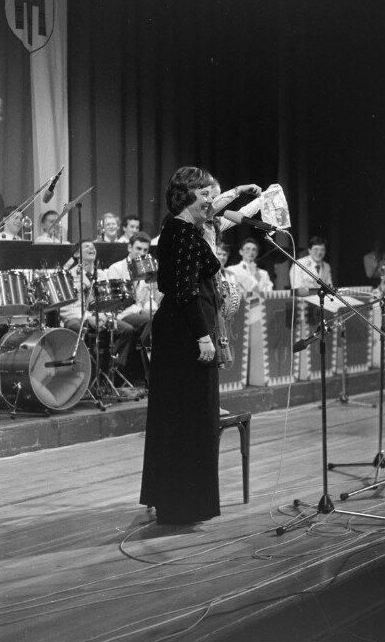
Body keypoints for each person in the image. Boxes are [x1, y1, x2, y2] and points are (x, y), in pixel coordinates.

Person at [140, 166, 222, 525]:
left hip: (178, 332)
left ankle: (177, 500)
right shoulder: (182, 232)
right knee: (189, 417)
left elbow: (221, 213)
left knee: (180, 417)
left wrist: (240, 198)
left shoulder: (180, 229)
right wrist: (204, 337)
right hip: (186, 335)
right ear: (187, 195)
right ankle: (183, 504)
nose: (211, 200)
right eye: (205, 193)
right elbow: (187, 291)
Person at [60, 240, 138, 384]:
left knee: (126, 330)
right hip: (76, 317)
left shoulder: (102, 275)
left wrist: (104, 316)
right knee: (76, 328)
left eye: (93, 246)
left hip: (100, 316)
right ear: (77, 254)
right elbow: (68, 308)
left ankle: (110, 373)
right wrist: (88, 317)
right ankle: (84, 377)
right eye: (87, 246)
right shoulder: (68, 276)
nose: (92, 248)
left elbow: (107, 302)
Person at [107, 231, 161, 349]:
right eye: (138, 248)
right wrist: (141, 311)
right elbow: (119, 302)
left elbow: (148, 298)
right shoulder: (116, 268)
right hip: (122, 313)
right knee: (152, 321)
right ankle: (144, 355)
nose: (141, 253)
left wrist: (152, 308)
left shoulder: (147, 269)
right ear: (129, 247)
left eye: (145, 250)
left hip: (140, 314)